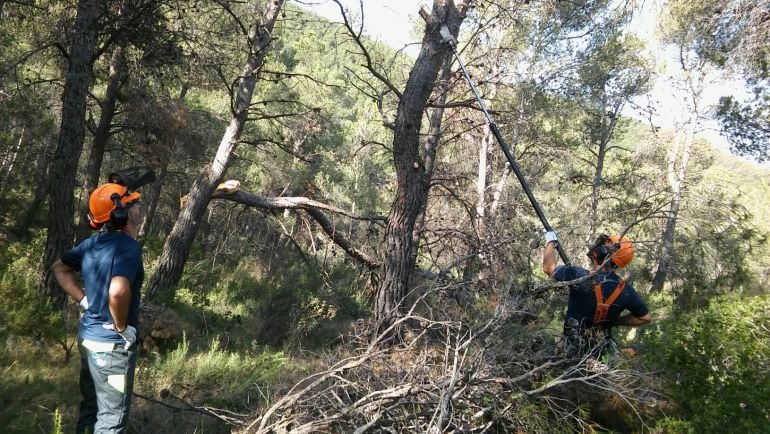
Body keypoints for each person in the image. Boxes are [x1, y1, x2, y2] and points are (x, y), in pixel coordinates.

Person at [52, 182, 145, 433]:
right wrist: (122, 327)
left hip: (89, 341)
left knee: (91, 407)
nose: (139, 207)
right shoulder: (128, 248)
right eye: (133, 203)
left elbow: (60, 268)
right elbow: (118, 290)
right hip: (112, 349)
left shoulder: (91, 244)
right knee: (111, 418)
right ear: (121, 213)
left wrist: (83, 300)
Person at [542, 231, 652, 362]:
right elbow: (645, 318)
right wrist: (615, 320)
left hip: (571, 354)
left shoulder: (579, 276)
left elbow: (549, 268)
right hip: (602, 357)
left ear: (602, 251)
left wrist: (551, 242)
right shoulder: (625, 291)